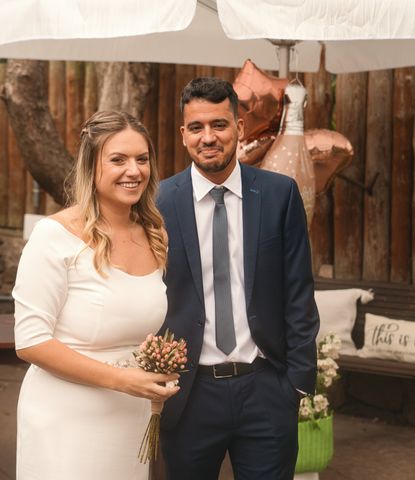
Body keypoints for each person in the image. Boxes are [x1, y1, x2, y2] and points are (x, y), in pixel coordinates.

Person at [157, 77, 319, 479]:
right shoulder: (159, 203)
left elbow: (298, 290)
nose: (208, 137)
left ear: (239, 128)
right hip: (188, 393)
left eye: (219, 124)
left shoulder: (280, 194)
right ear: (183, 134)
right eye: (196, 127)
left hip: (265, 388)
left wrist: (297, 383)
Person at [12, 111, 179, 480]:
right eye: (118, 159)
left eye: (142, 159)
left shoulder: (155, 235)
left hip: (128, 416)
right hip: (65, 419)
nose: (133, 170)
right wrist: (123, 380)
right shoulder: (53, 237)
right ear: (91, 165)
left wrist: (155, 369)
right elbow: (30, 342)